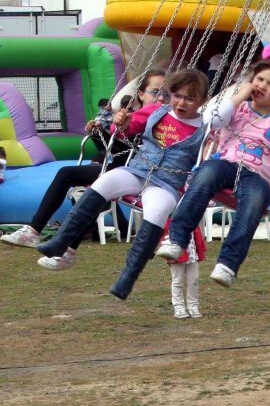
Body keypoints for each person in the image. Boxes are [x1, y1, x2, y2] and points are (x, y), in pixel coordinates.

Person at [36, 69, 211, 301]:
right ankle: (61, 241)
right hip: (137, 170)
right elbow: (124, 129)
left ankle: (127, 278)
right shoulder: (157, 111)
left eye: (190, 98)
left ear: (202, 101)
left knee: (157, 213)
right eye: (177, 95)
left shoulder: (205, 127)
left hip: (167, 184)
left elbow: (208, 157)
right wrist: (122, 122)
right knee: (105, 181)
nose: (181, 102)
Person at [156, 52, 270, 288]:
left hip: (257, 177)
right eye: (260, 79)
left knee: (255, 202)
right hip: (225, 164)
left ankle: (227, 264)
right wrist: (238, 97)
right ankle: (176, 239)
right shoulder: (236, 110)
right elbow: (211, 121)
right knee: (205, 174)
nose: (263, 86)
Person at [1, 69, 166, 268]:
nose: (161, 97)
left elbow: (129, 150)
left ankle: (43, 235)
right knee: (80, 184)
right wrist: (98, 133)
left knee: (76, 180)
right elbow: (116, 148)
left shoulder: (160, 118)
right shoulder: (131, 117)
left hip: (133, 171)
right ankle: (50, 241)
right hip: (118, 167)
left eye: (166, 93)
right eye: (155, 92)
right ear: (141, 93)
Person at [161, 223, 206, 319]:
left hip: (192, 253)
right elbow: (164, 235)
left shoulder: (192, 218)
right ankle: (179, 307)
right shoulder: (169, 221)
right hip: (176, 255)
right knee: (178, 281)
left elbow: (197, 234)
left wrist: (200, 249)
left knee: (194, 280)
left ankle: (193, 306)